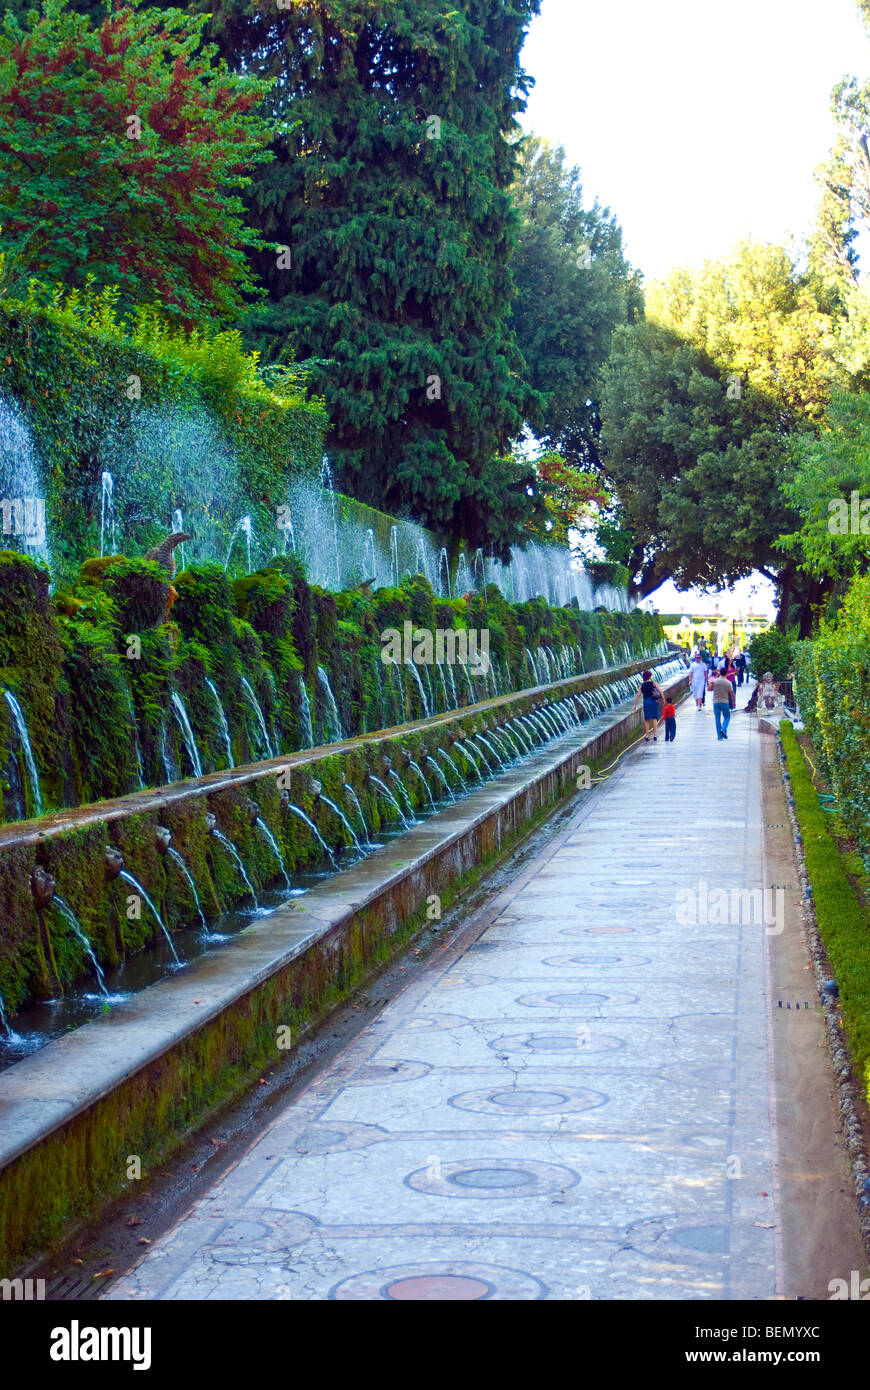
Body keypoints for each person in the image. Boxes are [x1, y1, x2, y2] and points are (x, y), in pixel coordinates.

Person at [632, 668, 665, 741]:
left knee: (647, 719)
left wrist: (635, 705)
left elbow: (638, 695)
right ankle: (655, 735)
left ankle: (647, 736)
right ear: (649, 677)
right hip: (653, 701)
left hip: (646, 702)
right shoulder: (653, 683)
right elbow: (660, 691)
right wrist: (663, 699)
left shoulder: (642, 685)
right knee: (654, 718)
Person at [710, 666, 735, 740]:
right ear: (727, 673)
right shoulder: (728, 683)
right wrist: (733, 703)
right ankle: (723, 729)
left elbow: (709, 689)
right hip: (725, 702)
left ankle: (720, 737)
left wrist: (710, 684)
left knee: (717, 719)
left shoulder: (714, 681)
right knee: (727, 717)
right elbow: (732, 694)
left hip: (716, 702)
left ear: (720, 673)